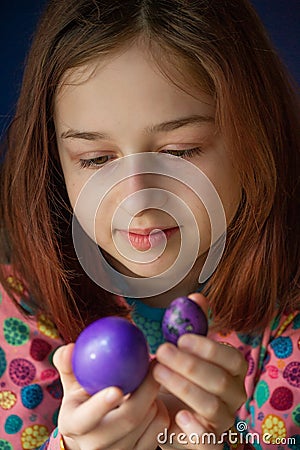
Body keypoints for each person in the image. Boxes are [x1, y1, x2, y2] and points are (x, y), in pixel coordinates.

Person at [0, 0, 299, 449]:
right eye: (96, 159)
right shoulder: (18, 302)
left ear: (256, 138)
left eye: (180, 152)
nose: (137, 200)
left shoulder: (290, 311)